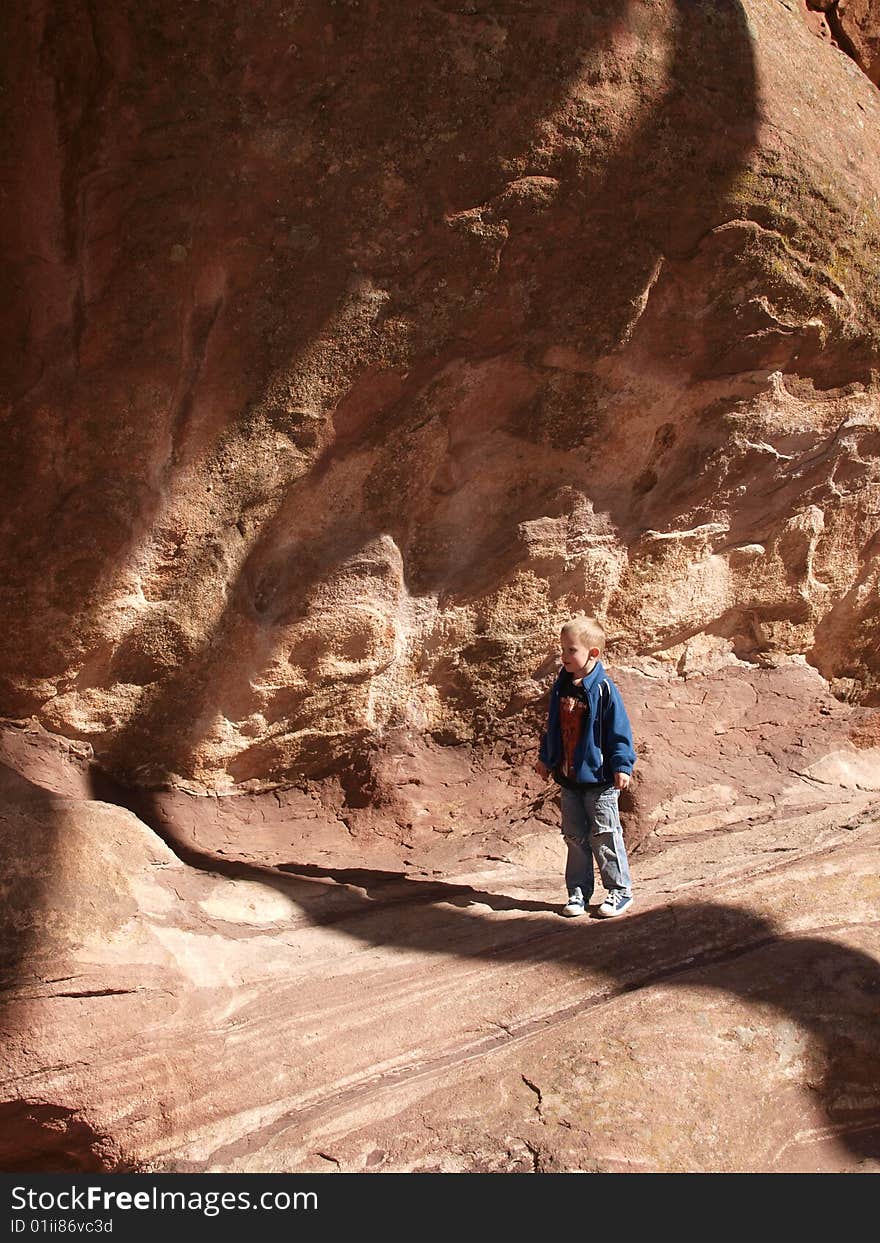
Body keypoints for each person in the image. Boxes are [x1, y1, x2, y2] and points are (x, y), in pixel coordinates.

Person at [536, 616, 637, 918]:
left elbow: (619, 732)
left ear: (593, 653)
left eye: (571, 650)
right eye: (563, 650)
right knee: (574, 836)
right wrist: (546, 757)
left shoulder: (604, 689)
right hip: (570, 780)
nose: (564, 656)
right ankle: (578, 892)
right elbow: (553, 727)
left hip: (599, 780)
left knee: (605, 834)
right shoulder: (562, 686)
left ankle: (620, 891)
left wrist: (622, 765)